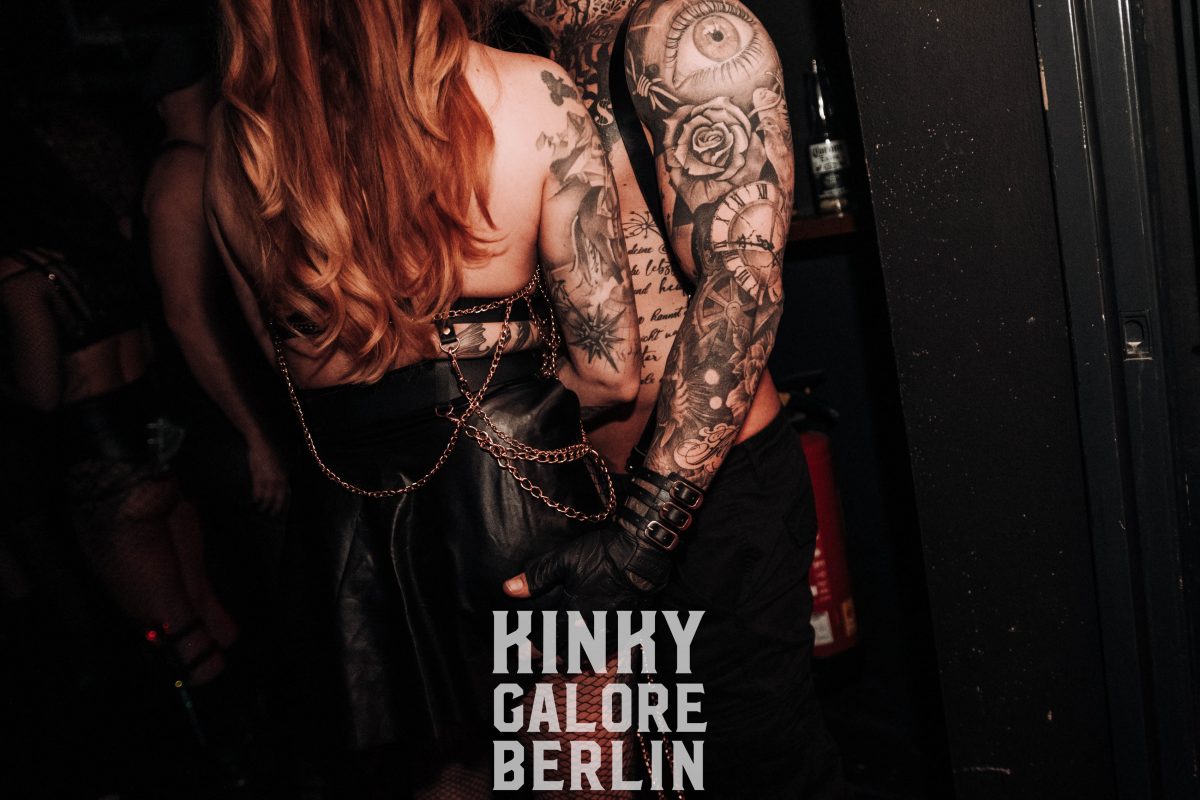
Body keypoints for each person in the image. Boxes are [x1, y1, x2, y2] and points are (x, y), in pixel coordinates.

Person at [205, 0, 645, 794]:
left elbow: (284, 373)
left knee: (442, 779)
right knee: (593, 777)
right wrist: (522, 412)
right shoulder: (531, 91)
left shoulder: (237, 150)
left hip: (349, 517)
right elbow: (612, 372)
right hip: (516, 489)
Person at [506, 1, 849, 796]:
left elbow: (743, 283)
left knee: (750, 772)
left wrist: (644, 532)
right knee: (595, 777)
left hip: (708, 501)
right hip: (560, 498)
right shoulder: (490, 54)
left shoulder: (686, 30)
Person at [0, 124, 239, 693]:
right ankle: (272, 729)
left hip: (107, 480)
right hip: (163, 454)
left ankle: (232, 744)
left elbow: (42, 392)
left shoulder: (20, 278)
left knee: (176, 635)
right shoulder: (102, 251)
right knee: (207, 606)